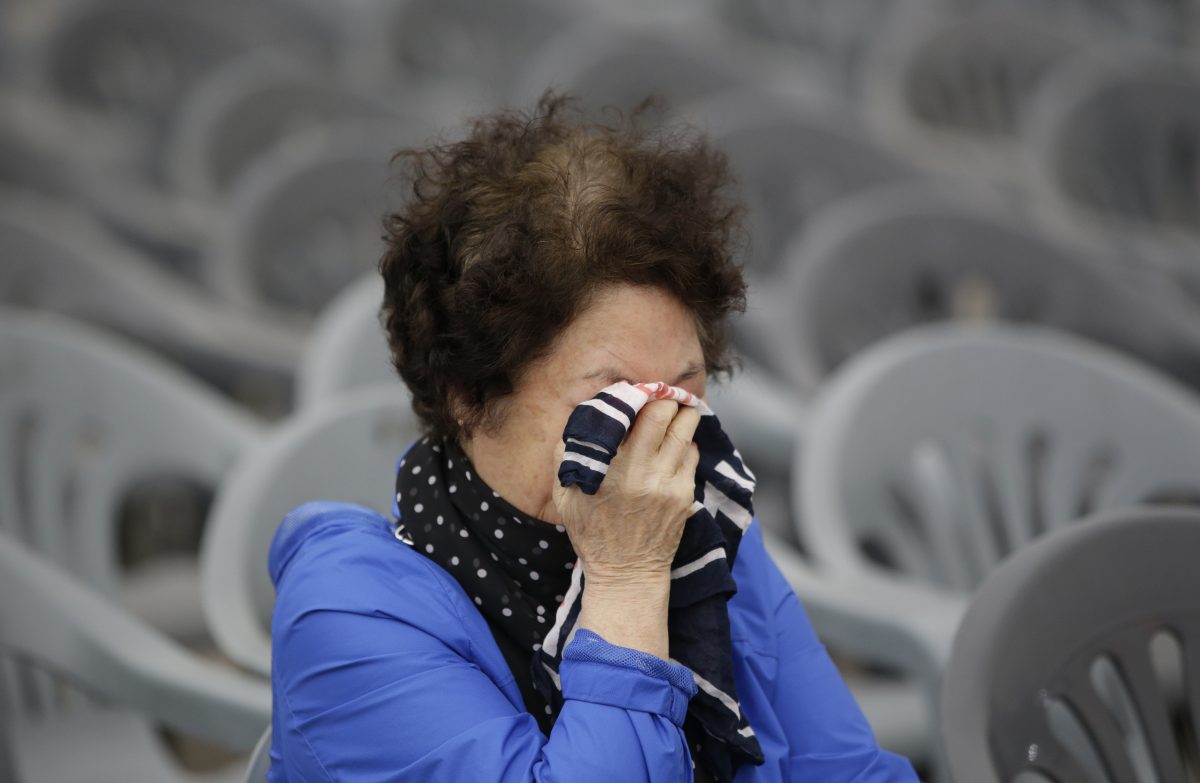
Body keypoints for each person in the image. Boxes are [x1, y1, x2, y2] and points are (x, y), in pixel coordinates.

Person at [267, 93, 918, 782]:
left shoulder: (699, 530)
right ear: (469, 396)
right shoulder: (347, 615)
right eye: (611, 398)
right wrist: (627, 581)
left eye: (684, 388)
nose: (656, 438)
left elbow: (849, 770)